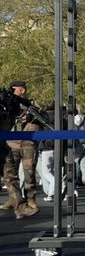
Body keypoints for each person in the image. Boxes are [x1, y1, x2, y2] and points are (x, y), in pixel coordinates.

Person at [0, 81, 42, 219]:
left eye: (14, 90)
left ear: (22, 90)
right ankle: (17, 203)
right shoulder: (8, 105)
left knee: (25, 173)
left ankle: (24, 203)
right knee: (10, 175)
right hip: (10, 143)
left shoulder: (27, 104)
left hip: (25, 143)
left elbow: (40, 120)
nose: (11, 93)